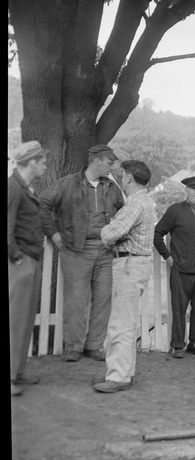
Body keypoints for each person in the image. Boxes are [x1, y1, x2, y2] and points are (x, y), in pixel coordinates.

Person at [39, 144, 124, 362]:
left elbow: (123, 212)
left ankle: (94, 345)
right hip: (77, 249)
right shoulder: (67, 183)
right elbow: (43, 204)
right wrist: (53, 233)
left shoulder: (112, 187)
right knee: (76, 300)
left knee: (103, 299)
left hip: (106, 250)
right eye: (109, 163)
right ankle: (73, 347)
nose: (112, 168)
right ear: (97, 161)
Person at [91, 160, 157, 393]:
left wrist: (105, 229)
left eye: (122, 176)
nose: (120, 178)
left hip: (128, 263)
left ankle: (118, 376)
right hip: (135, 263)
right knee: (126, 322)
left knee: (120, 323)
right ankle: (123, 373)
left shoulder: (135, 205)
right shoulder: (145, 202)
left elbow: (111, 234)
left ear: (129, 178)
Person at [154, 175, 195, 359]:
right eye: (193, 188)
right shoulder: (175, 211)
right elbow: (158, 233)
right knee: (179, 308)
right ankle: (177, 345)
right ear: (186, 191)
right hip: (181, 269)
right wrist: (168, 257)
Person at [8, 141, 49, 396]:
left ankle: (18, 371)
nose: (45, 165)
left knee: (24, 320)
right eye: (42, 161)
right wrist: (17, 257)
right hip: (19, 262)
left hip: (29, 259)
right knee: (15, 320)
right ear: (31, 162)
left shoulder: (24, 187)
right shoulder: (13, 187)